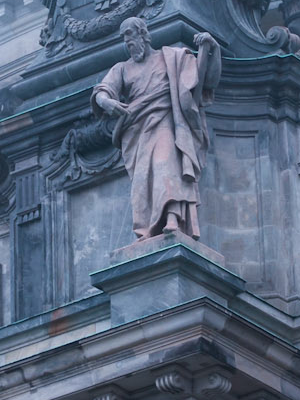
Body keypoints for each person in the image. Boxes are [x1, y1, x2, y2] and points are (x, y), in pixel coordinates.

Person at [93, 17, 222, 241]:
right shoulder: (122, 69)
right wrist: (106, 102)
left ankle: (173, 218)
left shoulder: (171, 57)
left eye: (130, 35)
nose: (127, 42)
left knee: (166, 165)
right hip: (136, 130)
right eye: (124, 38)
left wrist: (210, 49)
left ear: (143, 34)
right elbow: (103, 90)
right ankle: (146, 229)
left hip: (165, 121)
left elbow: (204, 82)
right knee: (143, 182)